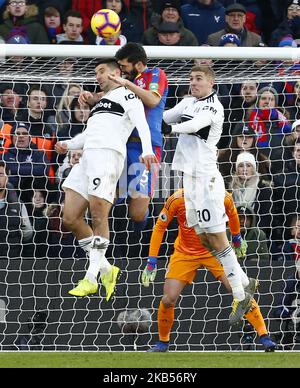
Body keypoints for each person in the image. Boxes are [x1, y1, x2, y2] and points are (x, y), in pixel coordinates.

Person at [55, 58, 158, 300]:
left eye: (102, 71)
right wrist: (68, 144)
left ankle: (91, 278)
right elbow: (91, 133)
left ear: (116, 72)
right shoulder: (101, 103)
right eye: (96, 72)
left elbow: (142, 123)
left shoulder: (128, 95)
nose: (98, 76)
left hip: (108, 157)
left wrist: (146, 150)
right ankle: (106, 268)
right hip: (88, 157)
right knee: (70, 218)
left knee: (99, 215)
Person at [161, 64, 253, 325]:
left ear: (211, 83)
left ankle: (239, 293)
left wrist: (172, 130)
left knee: (217, 236)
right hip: (189, 179)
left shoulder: (213, 107)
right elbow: (166, 116)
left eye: (199, 78)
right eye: (191, 78)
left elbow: (195, 126)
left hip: (206, 179)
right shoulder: (187, 101)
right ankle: (245, 281)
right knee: (203, 236)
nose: (194, 82)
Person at [142, 189, 276, 352]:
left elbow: (233, 214)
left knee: (238, 290)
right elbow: (159, 226)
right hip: (185, 253)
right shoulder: (177, 199)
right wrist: (151, 261)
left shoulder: (222, 195)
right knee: (168, 298)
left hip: (215, 250)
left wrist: (236, 238)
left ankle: (264, 336)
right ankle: (163, 343)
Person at [106, 42, 168, 231]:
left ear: (139, 64)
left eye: (124, 66)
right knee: (105, 198)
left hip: (145, 148)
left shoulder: (155, 74)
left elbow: (152, 99)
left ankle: (142, 237)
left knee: (137, 213)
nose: (122, 71)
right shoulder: (125, 84)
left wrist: (127, 84)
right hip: (120, 145)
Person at [0, 160, 33, 259]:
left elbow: (27, 233)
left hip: (11, 262)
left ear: (7, 177)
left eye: (0, 174)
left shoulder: (19, 205)